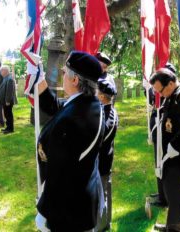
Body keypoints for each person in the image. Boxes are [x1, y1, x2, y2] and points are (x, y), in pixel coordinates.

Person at [35, 51, 105, 232]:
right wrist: (38, 76)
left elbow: (59, 173)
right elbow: (55, 107)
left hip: (68, 211)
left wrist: (45, 210)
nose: (62, 75)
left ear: (75, 80)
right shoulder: (88, 104)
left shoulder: (72, 120)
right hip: (82, 203)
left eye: (65, 72)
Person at [149, 68, 180, 232]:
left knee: (176, 191)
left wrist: (175, 145)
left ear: (171, 83)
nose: (160, 94)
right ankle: (172, 223)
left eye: (161, 90)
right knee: (171, 190)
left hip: (177, 155)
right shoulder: (171, 96)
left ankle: (175, 227)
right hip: (168, 154)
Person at [147, 62, 177, 208]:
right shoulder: (160, 90)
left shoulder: (174, 95)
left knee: (164, 165)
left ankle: (165, 197)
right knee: (157, 162)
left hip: (166, 134)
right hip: (158, 129)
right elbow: (151, 98)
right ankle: (161, 193)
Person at [96, 79, 118, 232]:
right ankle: (105, 221)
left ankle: (102, 224)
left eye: (96, 91)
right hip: (105, 159)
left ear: (102, 96)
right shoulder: (108, 110)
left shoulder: (105, 114)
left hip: (102, 160)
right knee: (104, 190)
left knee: (102, 192)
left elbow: (100, 137)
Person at [0, 65, 16, 134]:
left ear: (5, 71)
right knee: (6, 114)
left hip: (7, 102)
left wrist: (7, 101)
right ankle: (8, 127)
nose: (1, 72)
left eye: (1, 70)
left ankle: (10, 129)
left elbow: (9, 91)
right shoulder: (6, 78)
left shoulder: (9, 79)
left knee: (8, 115)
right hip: (4, 101)